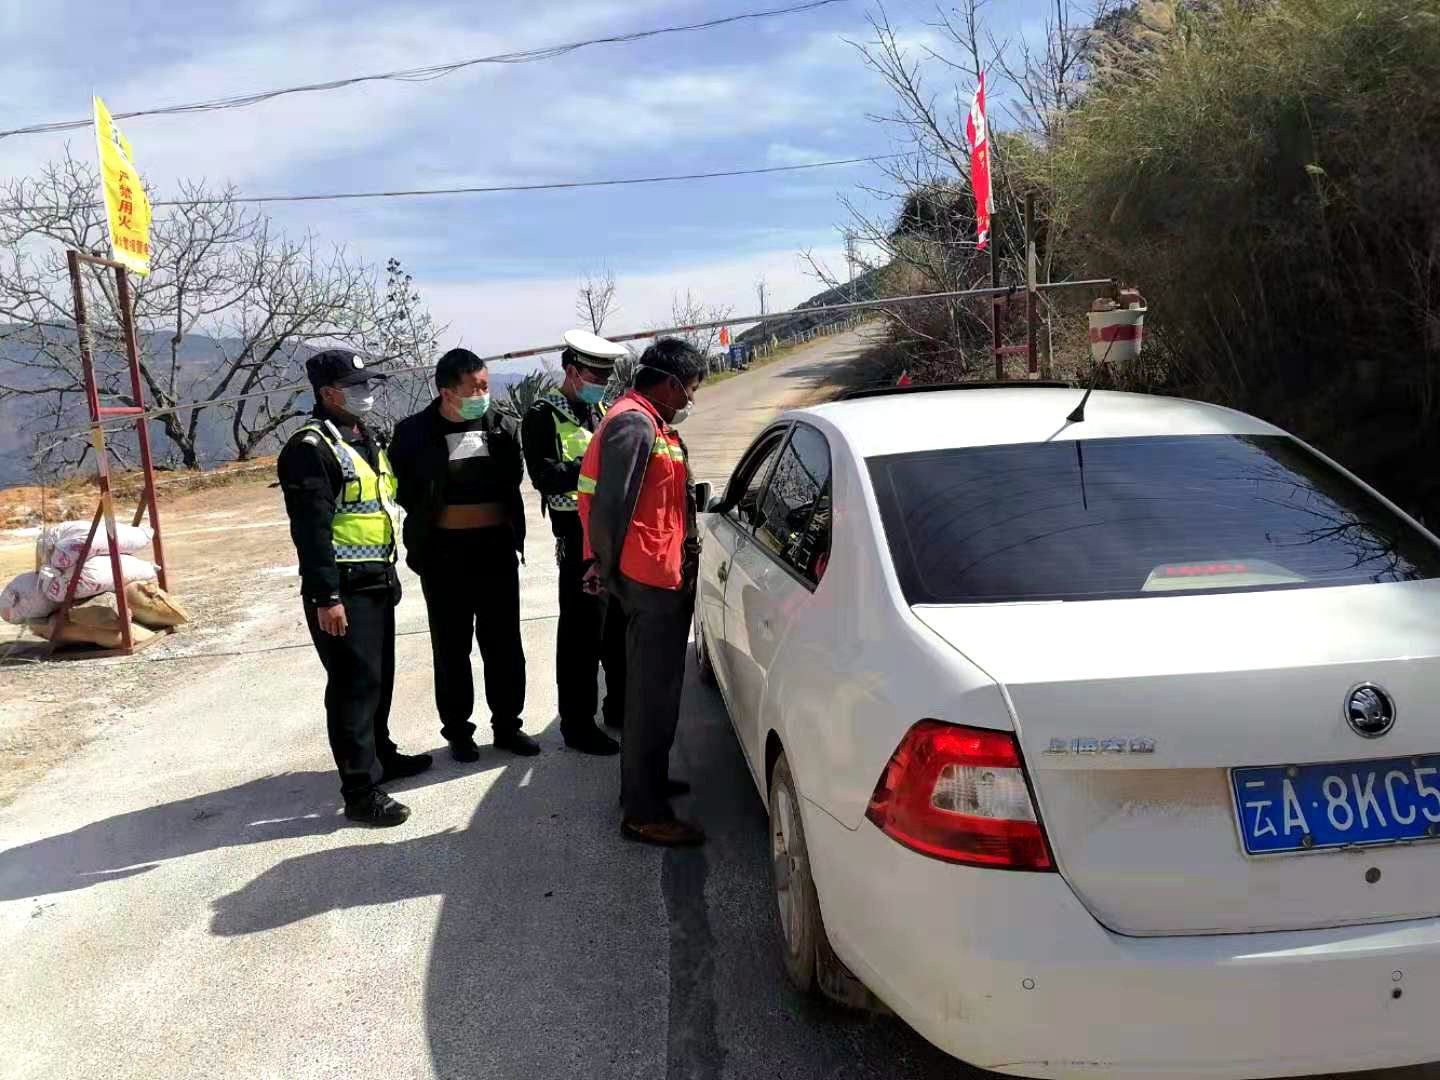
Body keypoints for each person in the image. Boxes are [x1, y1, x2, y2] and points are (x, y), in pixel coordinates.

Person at [277, 349, 432, 828]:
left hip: (376, 578)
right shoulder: (310, 448)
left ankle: (382, 754)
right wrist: (326, 597)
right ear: (328, 393)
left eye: (367, 384)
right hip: (343, 589)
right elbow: (312, 531)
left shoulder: (363, 437)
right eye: (355, 386)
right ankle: (360, 791)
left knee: (378, 678)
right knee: (352, 687)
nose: (366, 393)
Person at [578, 337, 707, 847]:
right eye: (691, 387)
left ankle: (645, 783)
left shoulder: (652, 422)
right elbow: (609, 509)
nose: (692, 398)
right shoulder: (633, 424)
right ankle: (643, 812)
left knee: (657, 693)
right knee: (651, 698)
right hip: (648, 582)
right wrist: (610, 573)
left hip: (660, 575)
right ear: (670, 383)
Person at [390, 348, 537, 761]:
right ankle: (458, 731)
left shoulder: (501, 426)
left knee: (504, 644)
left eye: (486, 385)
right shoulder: (413, 433)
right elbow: (405, 490)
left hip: (495, 550)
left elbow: (512, 478)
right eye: (475, 388)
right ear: (447, 392)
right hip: (443, 554)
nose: (482, 394)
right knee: (452, 647)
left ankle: (508, 726)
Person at [521, 330, 628, 756]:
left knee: (615, 628)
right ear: (572, 371)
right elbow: (544, 477)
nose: (601, 383)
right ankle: (577, 724)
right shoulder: (542, 415)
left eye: (605, 376)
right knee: (582, 635)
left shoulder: (600, 410)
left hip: (610, 533)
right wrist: (593, 464)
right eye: (594, 375)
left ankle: (618, 706)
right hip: (576, 537)